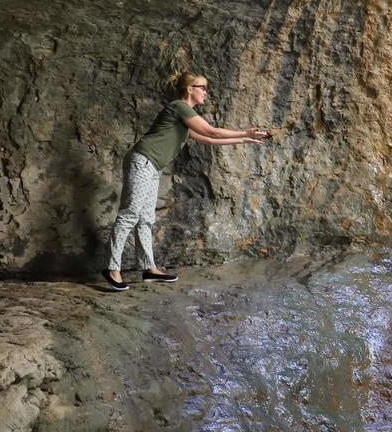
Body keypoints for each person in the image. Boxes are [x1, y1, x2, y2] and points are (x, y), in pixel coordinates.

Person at [104, 71, 269, 290]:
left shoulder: (185, 117)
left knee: (146, 218)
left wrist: (244, 139)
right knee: (130, 214)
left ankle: (149, 269)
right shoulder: (179, 107)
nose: (205, 92)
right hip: (142, 161)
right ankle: (112, 269)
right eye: (202, 87)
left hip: (152, 166)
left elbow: (208, 139)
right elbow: (211, 131)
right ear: (189, 89)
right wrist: (243, 131)